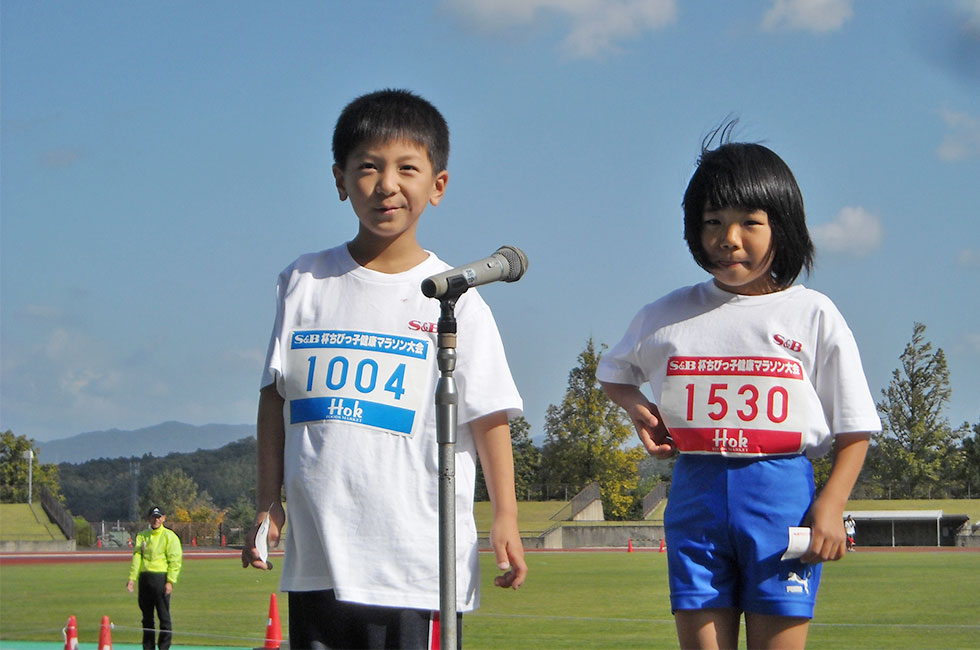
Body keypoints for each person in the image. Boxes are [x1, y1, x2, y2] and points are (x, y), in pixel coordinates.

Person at [241, 88, 527, 649]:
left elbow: (489, 416)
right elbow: (274, 398)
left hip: (414, 564)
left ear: (437, 185)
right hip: (319, 557)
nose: (386, 184)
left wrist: (505, 517)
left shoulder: (459, 299)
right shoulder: (303, 281)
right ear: (339, 178)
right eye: (367, 167)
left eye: (406, 168)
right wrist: (267, 503)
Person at [597, 125, 881, 649]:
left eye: (750, 222)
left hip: (781, 497)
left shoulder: (812, 313)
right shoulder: (666, 314)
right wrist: (639, 410)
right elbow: (613, 373)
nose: (729, 239)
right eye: (713, 222)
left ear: (784, 226)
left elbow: (855, 427)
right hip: (695, 495)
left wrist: (831, 504)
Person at [127, 506, 183, 650]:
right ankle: (148, 647)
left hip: (161, 579)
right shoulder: (142, 536)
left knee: (164, 617)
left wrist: (170, 581)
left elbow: (175, 560)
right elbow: (137, 557)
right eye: (153, 517)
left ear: (163, 518)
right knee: (147, 618)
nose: (156, 520)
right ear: (148, 518)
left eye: (158, 517)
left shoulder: (169, 537)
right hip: (145, 579)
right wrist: (132, 578)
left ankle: (164, 647)